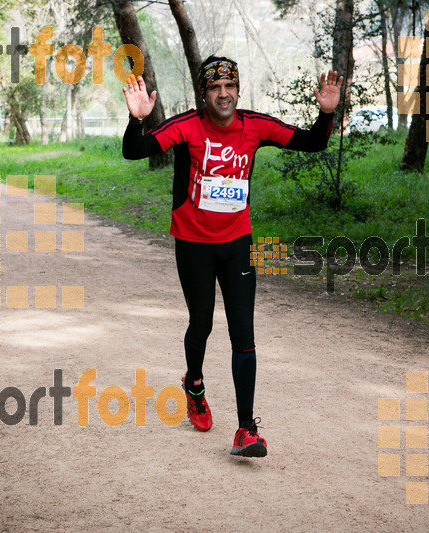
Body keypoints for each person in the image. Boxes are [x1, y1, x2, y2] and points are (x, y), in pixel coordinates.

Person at [122, 56, 342, 458]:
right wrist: (138, 119)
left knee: (244, 334)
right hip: (193, 243)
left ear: (237, 91)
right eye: (214, 88)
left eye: (229, 87)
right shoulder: (186, 126)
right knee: (202, 323)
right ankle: (195, 385)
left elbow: (314, 142)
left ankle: (246, 429)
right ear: (203, 94)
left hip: (237, 240)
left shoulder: (255, 126)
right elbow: (134, 150)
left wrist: (326, 114)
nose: (223, 94)